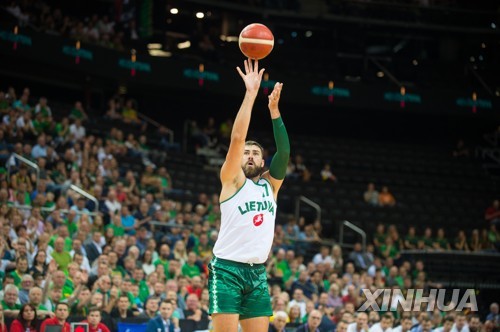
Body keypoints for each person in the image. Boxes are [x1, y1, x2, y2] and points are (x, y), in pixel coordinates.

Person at [208, 59, 290, 332]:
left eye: (256, 153)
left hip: (256, 273)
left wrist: (275, 112)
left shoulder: (270, 186)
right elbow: (237, 138)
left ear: (263, 161)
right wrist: (251, 95)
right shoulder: (231, 179)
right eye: (247, 152)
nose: (251, 155)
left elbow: (285, 153)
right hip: (227, 271)